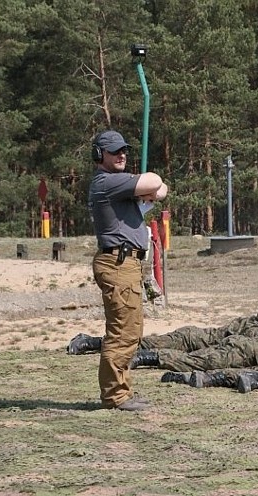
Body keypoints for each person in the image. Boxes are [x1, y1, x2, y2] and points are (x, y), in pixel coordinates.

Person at [88, 129, 168, 411]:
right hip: (118, 264)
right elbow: (156, 182)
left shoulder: (115, 185)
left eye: (124, 150)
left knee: (130, 330)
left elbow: (160, 189)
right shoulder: (108, 182)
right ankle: (115, 396)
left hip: (125, 264)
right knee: (123, 331)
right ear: (100, 156)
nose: (122, 155)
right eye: (115, 151)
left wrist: (146, 188)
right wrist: (145, 185)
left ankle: (121, 390)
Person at [66, 305, 258, 355]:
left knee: (139, 345)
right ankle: (90, 342)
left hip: (193, 340)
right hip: (189, 340)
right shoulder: (250, 327)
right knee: (138, 343)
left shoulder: (251, 322)